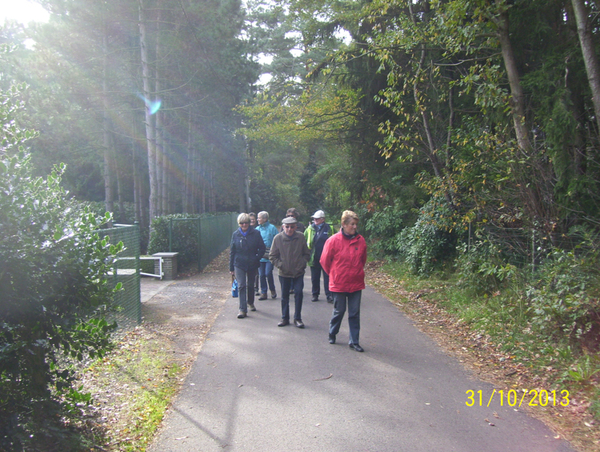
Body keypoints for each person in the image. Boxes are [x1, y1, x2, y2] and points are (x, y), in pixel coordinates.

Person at [320, 210, 368, 352]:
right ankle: (332, 332)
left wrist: (356, 271)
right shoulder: (333, 240)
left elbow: (363, 259)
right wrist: (334, 274)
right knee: (339, 311)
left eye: (356, 224)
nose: (354, 227)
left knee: (354, 313)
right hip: (338, 283)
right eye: (352, 224)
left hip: (356, 282)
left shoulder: (361, 240)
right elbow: (324, 261)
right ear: (344, 224)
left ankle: (354, 341)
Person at [269, 216, 310, 328]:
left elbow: (307, 253)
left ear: (296, 227)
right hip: (284, 273)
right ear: (283, 227)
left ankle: (297, 318)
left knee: (298, 294)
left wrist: (302, 263)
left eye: (292, 227)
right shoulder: (278, 238)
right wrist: (281, 265)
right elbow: (272, 256)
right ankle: (284, 318)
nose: (289, 229)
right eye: (287, 227)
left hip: (298, 272)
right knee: (284, 296)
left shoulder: (300, 237)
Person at [229, 213, 266, 319]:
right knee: (241, 286)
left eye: (246, 223)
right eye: (241, 223)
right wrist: (231, 267)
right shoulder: (235, 234)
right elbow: (232, 251)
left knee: (250, 285)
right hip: (239, 264)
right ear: (239, 224)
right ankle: (242, 309)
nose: (244, 225)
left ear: (249, 223)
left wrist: (256, 258)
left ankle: (250, 302)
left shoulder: (256, 233)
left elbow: (262, 248)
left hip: (252, 263)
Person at [304, 210, 332, 302]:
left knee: (327, 277)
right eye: (314, 218)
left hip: (326, 258)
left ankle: (329, 295)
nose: (315, 220)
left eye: (317, 218)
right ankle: (315, 294)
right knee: (315, 278)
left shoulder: (329, 228)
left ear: (323, 219)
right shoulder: (309, 229)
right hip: (314, 257)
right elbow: (304, 240)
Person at [256, 211, 279, 300]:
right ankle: (264, 292)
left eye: (259, 218)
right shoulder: (257, 229)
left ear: (265, 219)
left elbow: (277, 240)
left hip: (270, 256)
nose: (258, 219)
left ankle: (272, 290)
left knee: (268, 273)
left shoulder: (272, 228)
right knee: (261, 275)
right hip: (260, 256)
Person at [249, 212, 260, 295]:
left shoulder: (257, 230)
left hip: (255, 254)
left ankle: (256, 288)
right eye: (250, 219)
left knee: (256, 273)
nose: (252, 221)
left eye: (253, 219)